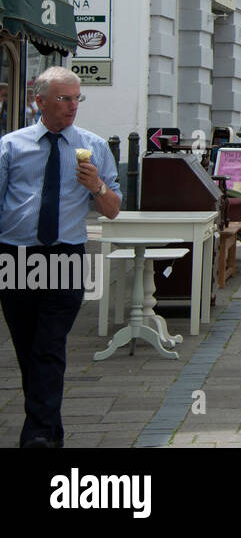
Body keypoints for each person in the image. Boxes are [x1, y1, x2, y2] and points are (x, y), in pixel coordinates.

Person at [0, 67, 121, 447]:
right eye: (63, 99)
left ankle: (37, 437)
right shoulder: (11, 146)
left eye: (76, 99)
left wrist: (96, 185)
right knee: (28, 349)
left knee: (49, 347)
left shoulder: (93, 147)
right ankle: (49, 431)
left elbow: (113, 209)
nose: (72, 107)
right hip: (16, 257)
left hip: (65, 258)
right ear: (40, 102)